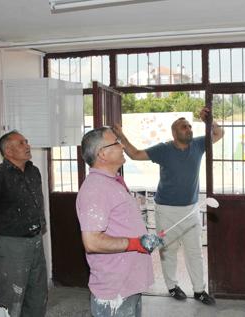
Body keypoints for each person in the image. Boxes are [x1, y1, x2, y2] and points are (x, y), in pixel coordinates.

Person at [113, 107, 224, 305]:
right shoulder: (163, 149)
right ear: (174, 132)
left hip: (191, 210)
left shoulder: (198, 144)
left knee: (195, 252)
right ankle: (172, 287)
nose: (189, 129)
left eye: (190, 126)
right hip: (166, 209)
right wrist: (121, 135)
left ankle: (199, 290)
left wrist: (209, 121)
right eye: (184, 127)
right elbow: (136, 154)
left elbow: (219, 133)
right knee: (168, 251)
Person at [76, 127, 161, 317]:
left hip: (127, 282)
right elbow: (92, 242)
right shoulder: (96, 189)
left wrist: (144, 238)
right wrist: (135, 244)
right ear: (103, 154)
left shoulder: (112, 181)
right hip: (115, 287)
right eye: (116, 142)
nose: (122, 146)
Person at [0, 130, 47, 317]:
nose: (27, 146)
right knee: (12, 299)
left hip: (36, 242)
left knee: (37, 295)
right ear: (8, 151)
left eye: (26, 141)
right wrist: (5, 229)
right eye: (21, 143)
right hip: (10, 246)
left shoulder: (33, 171)